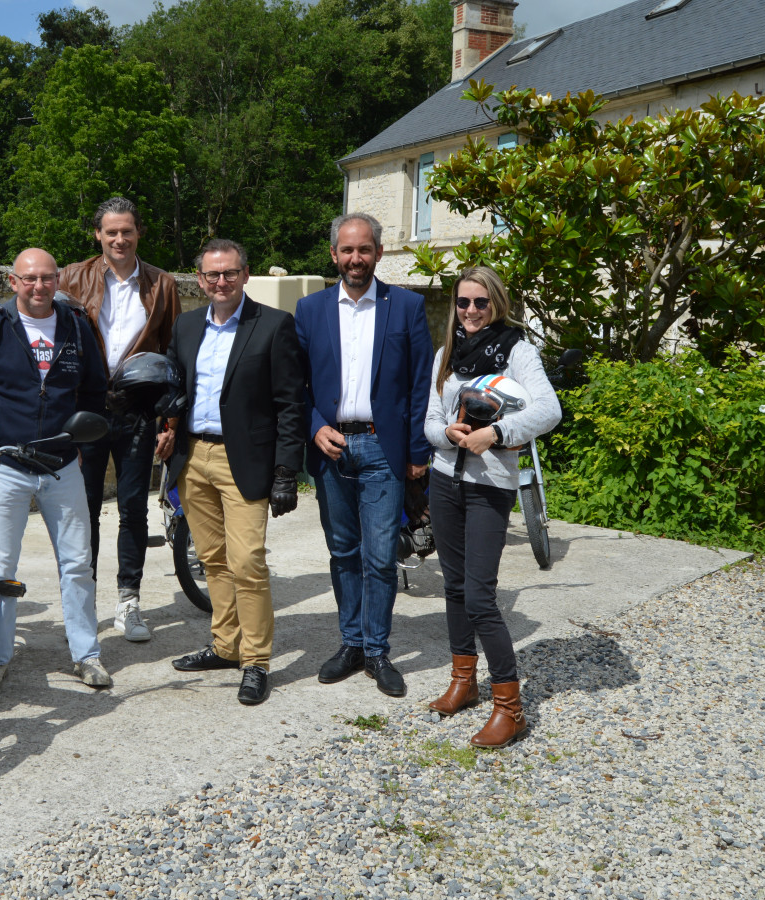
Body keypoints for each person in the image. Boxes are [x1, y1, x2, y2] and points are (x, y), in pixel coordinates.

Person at [0, 248, 112, 694]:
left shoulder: (75, 324)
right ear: (13, 282)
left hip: (61, 466)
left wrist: (82, 439)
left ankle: (86, 655)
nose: (39, 287)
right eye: (29, 279)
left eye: (47, 278)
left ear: (58, 281)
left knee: (76, 563)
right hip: (6, 465)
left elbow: (94, 390)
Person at [154, 239, 306, 706]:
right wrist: (166, 427)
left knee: (247, 563)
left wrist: (286, 472)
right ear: (199, 279)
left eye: (230, 273)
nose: (221, 282)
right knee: (213, 560)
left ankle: (256, 661)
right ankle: (225, 645)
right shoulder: (185, 326)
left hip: (245, 461)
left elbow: (290, 405)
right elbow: (176, 387)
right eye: (211, 275)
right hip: (192, 458)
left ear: (245, 274)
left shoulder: (275, 326)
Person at [294, 213, 433, 698]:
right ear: (333, 254)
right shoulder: (309, 310)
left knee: (379, 557)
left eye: (365, 249)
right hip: (331, 448)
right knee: (342, 552)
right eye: (347, 250)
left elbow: (420, 385)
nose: (356, 258)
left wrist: (418, 451)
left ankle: (377, 649)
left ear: (379, 252)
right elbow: (297, 387)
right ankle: (350, 643)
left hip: (383, 447)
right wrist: (315, 428)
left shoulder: (408, 306)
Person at [423, 265, 561, 748]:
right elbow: (431, 420)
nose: (472, 311)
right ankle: (464, 681)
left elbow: (549, 410)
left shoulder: (518, 352)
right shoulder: (447, 353)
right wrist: (449, 433)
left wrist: (495, 434)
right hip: (444, 481)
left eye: (481, 302)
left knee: (480, 596)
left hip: (489, 487)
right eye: (463, 303)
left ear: (497, 303)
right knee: (454, 587)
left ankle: (510, 708)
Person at [59, 197, 181, 643]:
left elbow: (173, 355)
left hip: (137, 412)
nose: (119, 239)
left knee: (132, 510)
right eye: (111, 231)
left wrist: (170, 421)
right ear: (98, 235)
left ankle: (128, 602)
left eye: (126, 230)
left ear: (139, 233)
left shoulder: (162, 285)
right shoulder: (71, 278)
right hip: (86, 411)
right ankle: (84, 603)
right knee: (83, 510)